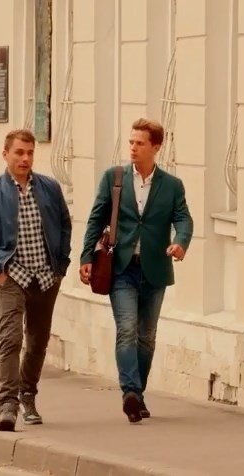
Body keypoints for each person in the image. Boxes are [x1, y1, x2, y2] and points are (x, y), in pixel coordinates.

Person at [80, 118, 194, 423]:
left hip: (154, 269)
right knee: (127, 329)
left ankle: (137, 395)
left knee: (147, 336)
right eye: (131, 142)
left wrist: (180, 242)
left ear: (156, 147)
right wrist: (86, 256)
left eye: (140, 143)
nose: (133, 147)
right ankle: (130, 391)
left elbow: (183, 219)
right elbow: (96, 218)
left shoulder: (172, 186)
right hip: (121, 268)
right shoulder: (114, 178)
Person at [0, 129, 72, 432]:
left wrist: (60, 265)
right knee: (11, 339)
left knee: (37, 342)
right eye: (19, 153)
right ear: (6, 154)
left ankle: (28, 396)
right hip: (11, 275)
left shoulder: (49, 187)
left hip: (46, 276)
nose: (25, 158)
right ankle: (8, 406)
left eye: (30, 153)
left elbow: (64, 225)